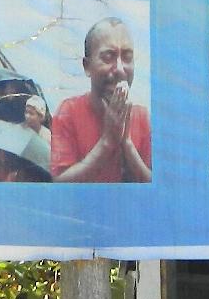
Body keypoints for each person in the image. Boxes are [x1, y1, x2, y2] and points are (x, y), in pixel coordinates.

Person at [51, 17, 152, 183]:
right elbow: (59, 183)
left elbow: (157, 186)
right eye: (108, 57)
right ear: (87, 66)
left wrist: (126, 144)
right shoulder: (68, 111)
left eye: (127, 57)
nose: (120, 69)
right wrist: (107, 142)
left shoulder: (142, 116)